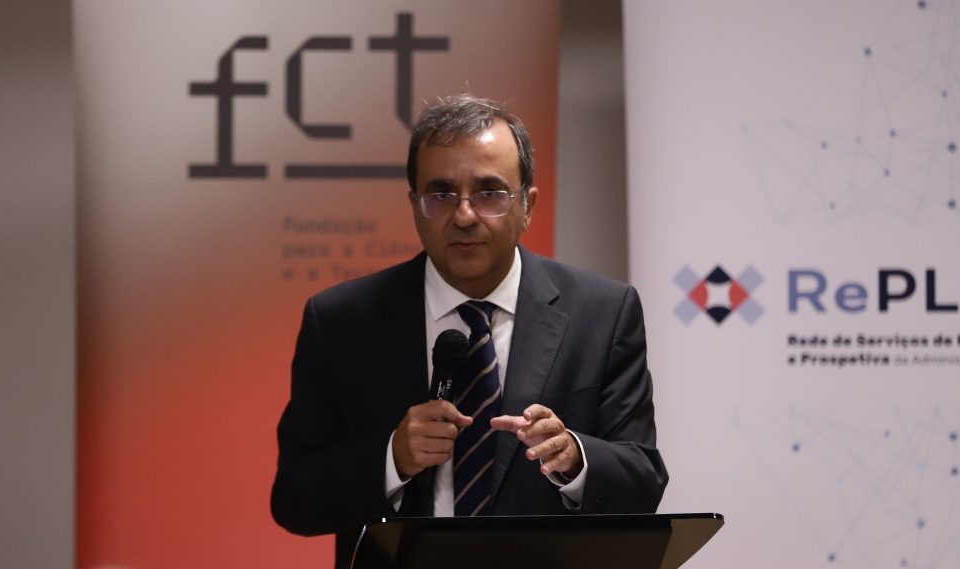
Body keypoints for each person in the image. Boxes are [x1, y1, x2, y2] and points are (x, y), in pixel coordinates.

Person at [271, 95, 668, 568]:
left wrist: (576, 459)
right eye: (441, 194)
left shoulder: (602, 313)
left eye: (489, 193)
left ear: (527, 206)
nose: (464, 215)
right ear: (415, 206)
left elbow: (644, 481)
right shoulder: (342, 321)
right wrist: (391, 458)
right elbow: (294, 498)